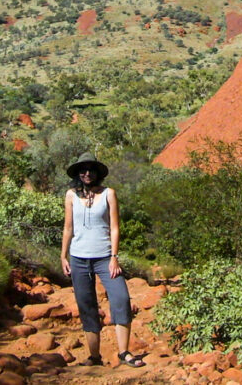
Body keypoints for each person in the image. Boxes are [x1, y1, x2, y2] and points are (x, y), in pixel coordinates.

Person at [60, 153, 145, 368]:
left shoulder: (109, 193)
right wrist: (63, 256)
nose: (87, 173)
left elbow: (115, 227)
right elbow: (68, 228)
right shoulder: (71, 195)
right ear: (78, 173)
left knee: (121, 298)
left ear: (97, 173)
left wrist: (114, 257)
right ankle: (94, 357)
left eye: (91, 169)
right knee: (86, 305)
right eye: (83, 170)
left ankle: (124, 352)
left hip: (105, 257)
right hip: (78, 258)